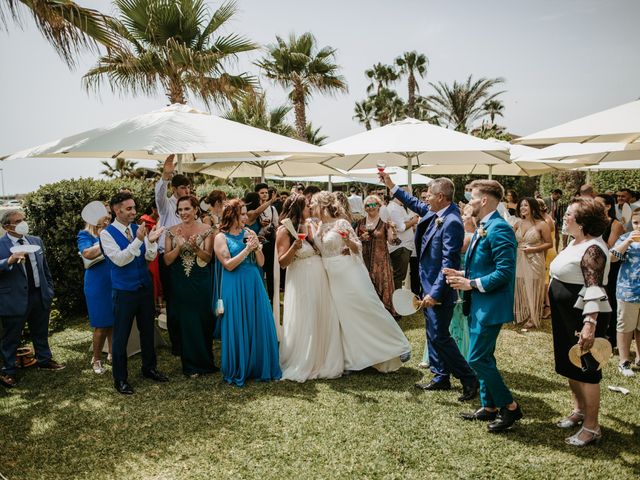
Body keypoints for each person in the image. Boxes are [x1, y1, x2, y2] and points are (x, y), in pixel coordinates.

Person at [382, 174, 477, 401]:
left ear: (441, 197)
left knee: (440, 336)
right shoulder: (436, 212)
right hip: (427, 283)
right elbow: (414, 203)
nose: (425, 199)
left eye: (430, 195)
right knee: (433, 334)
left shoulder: (452, 222)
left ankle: (468, 378)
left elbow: (449, 263)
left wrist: (435, 293)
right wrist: (391, 186)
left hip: (439, 288)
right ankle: (440, 376)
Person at [445, 180, 522, 433]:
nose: (468, 202)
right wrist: (462, 273)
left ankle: (509, 407)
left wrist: (471, 283)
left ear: (485, 200)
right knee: (484, 356)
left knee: (476, 357)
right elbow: (483, 265)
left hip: (490, 305)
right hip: (477, 302)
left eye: (472, 197)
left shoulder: (499, 229)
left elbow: (505, 272)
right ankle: (488, 406)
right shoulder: (485, 226)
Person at [311, 192, 411, 373]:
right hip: (330, 275)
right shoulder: (318, 226)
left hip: (348, 272)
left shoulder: (342, 223)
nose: (311, 208)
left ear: (323, 206)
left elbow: (358, 247)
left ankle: (395, 345)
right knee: (344, 317)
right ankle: (353, 358)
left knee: (365, 309)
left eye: (313, 204)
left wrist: (348, 241)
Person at [548, 198, 610, 446]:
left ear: (583, 221)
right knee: (569, 363)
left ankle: (591, 427)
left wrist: (589, 324)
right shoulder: (576, 242)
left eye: (570, 214)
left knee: (587, 370)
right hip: (565, 314)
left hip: (584, 315)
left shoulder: (594, 248)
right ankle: (579, 410)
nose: (565, 217)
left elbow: (594, 288)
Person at [100, 192, 168, 395]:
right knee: (121, 335)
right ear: (116, 209)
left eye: (134, 207)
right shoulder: (106, 234)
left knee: (147, 330)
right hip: (124, 292)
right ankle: (120, 379)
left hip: (144, 287)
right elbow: (120, 260)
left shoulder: (136, 229)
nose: (134, 212)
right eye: (129, 208)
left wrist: (152, 242)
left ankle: (149, 368)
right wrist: (139, 240)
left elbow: (147, 257)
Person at [213, 199, 281, 386]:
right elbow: (228, 265)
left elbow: (260, 262)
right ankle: (239, 367)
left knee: (257, 321)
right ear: (232, 215)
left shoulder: (250, 232)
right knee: (237, 323)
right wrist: (247, 250)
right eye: (242, 213)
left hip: (253, 281)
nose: (246, 216)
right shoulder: (220, 237)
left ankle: (259, 365)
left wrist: (257, 248)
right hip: (234, 285)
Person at [276, 194, 343, 382]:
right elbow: (282, 262)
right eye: (307, 205)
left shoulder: (312, 225)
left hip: (320, 277)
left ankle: (324, 359)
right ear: (298, 208)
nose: (310, 208)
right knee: (307, 316)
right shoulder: (284, 230)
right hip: (301, 279)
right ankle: (305, 360)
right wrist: (294, 248)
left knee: (323, 314)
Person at [0, 210, 64, 389]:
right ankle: (9, 371)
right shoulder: (1, 245)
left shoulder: (36, 241)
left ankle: (44, 360)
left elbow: (44, 268)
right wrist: (9, 261)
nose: (23, 223)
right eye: (17, 221)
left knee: (41, 330)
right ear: (7, 226)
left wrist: (49, 289)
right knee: (11, 337)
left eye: (23, 220)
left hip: (39, 294)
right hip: (14, 298)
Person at [164, 196, 217, 377]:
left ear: (195, 210)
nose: (183, 213)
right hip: (180, 282)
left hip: (201, 280)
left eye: (187, 209)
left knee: (204, 319)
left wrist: (195, 248)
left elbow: (208, 258)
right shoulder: (171, 231)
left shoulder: (207, 230)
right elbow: (167, 260)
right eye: (180, 210)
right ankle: (190, 366)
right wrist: (179, 246)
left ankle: (206, 362)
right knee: (186, 322)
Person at [155, 154, 191, 355]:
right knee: (173, 300)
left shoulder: (191, 207)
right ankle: (177, 344)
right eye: (183, 188)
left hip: (189, 256)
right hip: (168, 257)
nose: (187, 191)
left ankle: (190, 336)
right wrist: (166, 175)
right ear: (175, 189)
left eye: (188, 188)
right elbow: (159, 195)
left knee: (188, 298)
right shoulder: (166, 205)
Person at [77, 214, 113, 375]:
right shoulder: (84, 234)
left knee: (114, 320)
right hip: (97, 282)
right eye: (104, 216)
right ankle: (96, 358)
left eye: (109, 216)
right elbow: (87, 253)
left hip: (114, 279)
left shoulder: (113, 231)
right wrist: (104, 238)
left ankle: (113, 353)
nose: (107, 219)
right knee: (101, 323)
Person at [513, 197, 552, 328]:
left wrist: (533, 249)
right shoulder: (518, 223)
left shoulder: (541, 224)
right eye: (521, 206)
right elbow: (511, 240)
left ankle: (532, 316)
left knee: (533, 285)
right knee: (520, 284)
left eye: (526, 205)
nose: (523, 208)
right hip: (519, 258)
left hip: (535, 259)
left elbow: (549, 243)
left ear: (533, 207)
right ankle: (521, 313)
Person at [356, 195, 398, 316]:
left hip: (381, 262)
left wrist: (394, 230)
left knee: (382, 286)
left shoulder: (385, 224)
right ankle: (369, 313)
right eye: (367, 205)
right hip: (364, 261)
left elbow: (392, 241)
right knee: (366, 286)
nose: (370, 208)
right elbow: (353, 241)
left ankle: (384, 314)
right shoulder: (360, 223)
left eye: (373, 204)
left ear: (379, 206)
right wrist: (360, 238)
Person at [610, 208, 640, 378]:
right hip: (628, 290)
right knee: (626, 326)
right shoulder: (625, 238)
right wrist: (628, 241)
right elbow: (613, 257)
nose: (638, 226)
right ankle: (624, 361)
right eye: (636, 222)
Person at [596, 194, 625, 349]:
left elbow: (609, 248)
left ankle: (611, 337)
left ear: (608, 206)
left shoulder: (615, 224)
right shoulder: (592, 221)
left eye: (598, 203)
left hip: (611, 268)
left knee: (610, 300)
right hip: (595, 266)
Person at [387, 190, 420, 290]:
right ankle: (395, 300)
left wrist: (409, 221)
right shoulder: (393, 208)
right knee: (398, 277)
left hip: (406, 246)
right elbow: (400, 227)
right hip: (400, 247)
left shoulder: (400, 207)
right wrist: (413, 221)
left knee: (401, 277)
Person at [140, 200, 163, 312]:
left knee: (159, 276)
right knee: (153, 275)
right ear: (153, 209)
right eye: (158, 208)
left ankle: (160, 302)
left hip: (159, 251)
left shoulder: (161, 219)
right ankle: (152, 303)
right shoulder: (144, 220)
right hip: (150, 249)